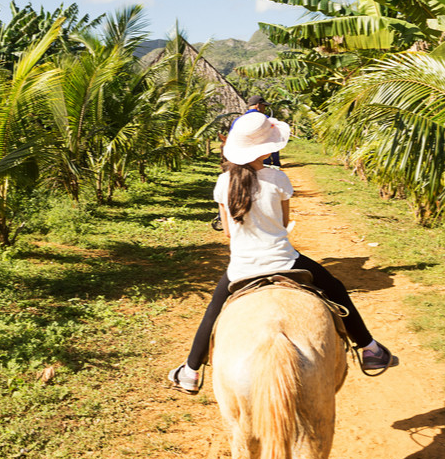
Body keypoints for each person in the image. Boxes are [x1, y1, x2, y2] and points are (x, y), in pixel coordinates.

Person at [169, 112, 399, 394]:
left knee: (213, 313)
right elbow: (281, 224)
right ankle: (369, 348)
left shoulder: (223, 183)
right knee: (336, 288)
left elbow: (228, 233)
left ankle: (191, 372)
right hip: (285, 261)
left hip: (242, 267)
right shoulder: (278, 179)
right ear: (268, 149)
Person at [240, 94, 280, 167]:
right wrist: (275, 162)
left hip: (246, 162)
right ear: (258, 105)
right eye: (264, 106)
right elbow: (275, 138)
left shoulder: (238, 121)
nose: (264, 109)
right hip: (264, 161)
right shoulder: (267, 120)